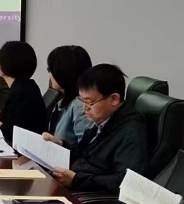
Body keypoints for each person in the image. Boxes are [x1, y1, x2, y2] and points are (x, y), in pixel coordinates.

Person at [46, 64, 148, 194]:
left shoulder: (132, 132)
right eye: (82, 101)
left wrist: (76, 180)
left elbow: (124, 182)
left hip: (91, 197)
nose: (85, 108)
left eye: (90, 102)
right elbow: (84, 153)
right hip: (77, 184)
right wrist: (60, 144)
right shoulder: (105, 120)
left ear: (114, 99)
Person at [43, 45, 94, 147]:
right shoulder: (63, 100)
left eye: (50, 70)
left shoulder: (81, 106)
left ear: (62, 73)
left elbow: (86, 149)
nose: (50, 76)